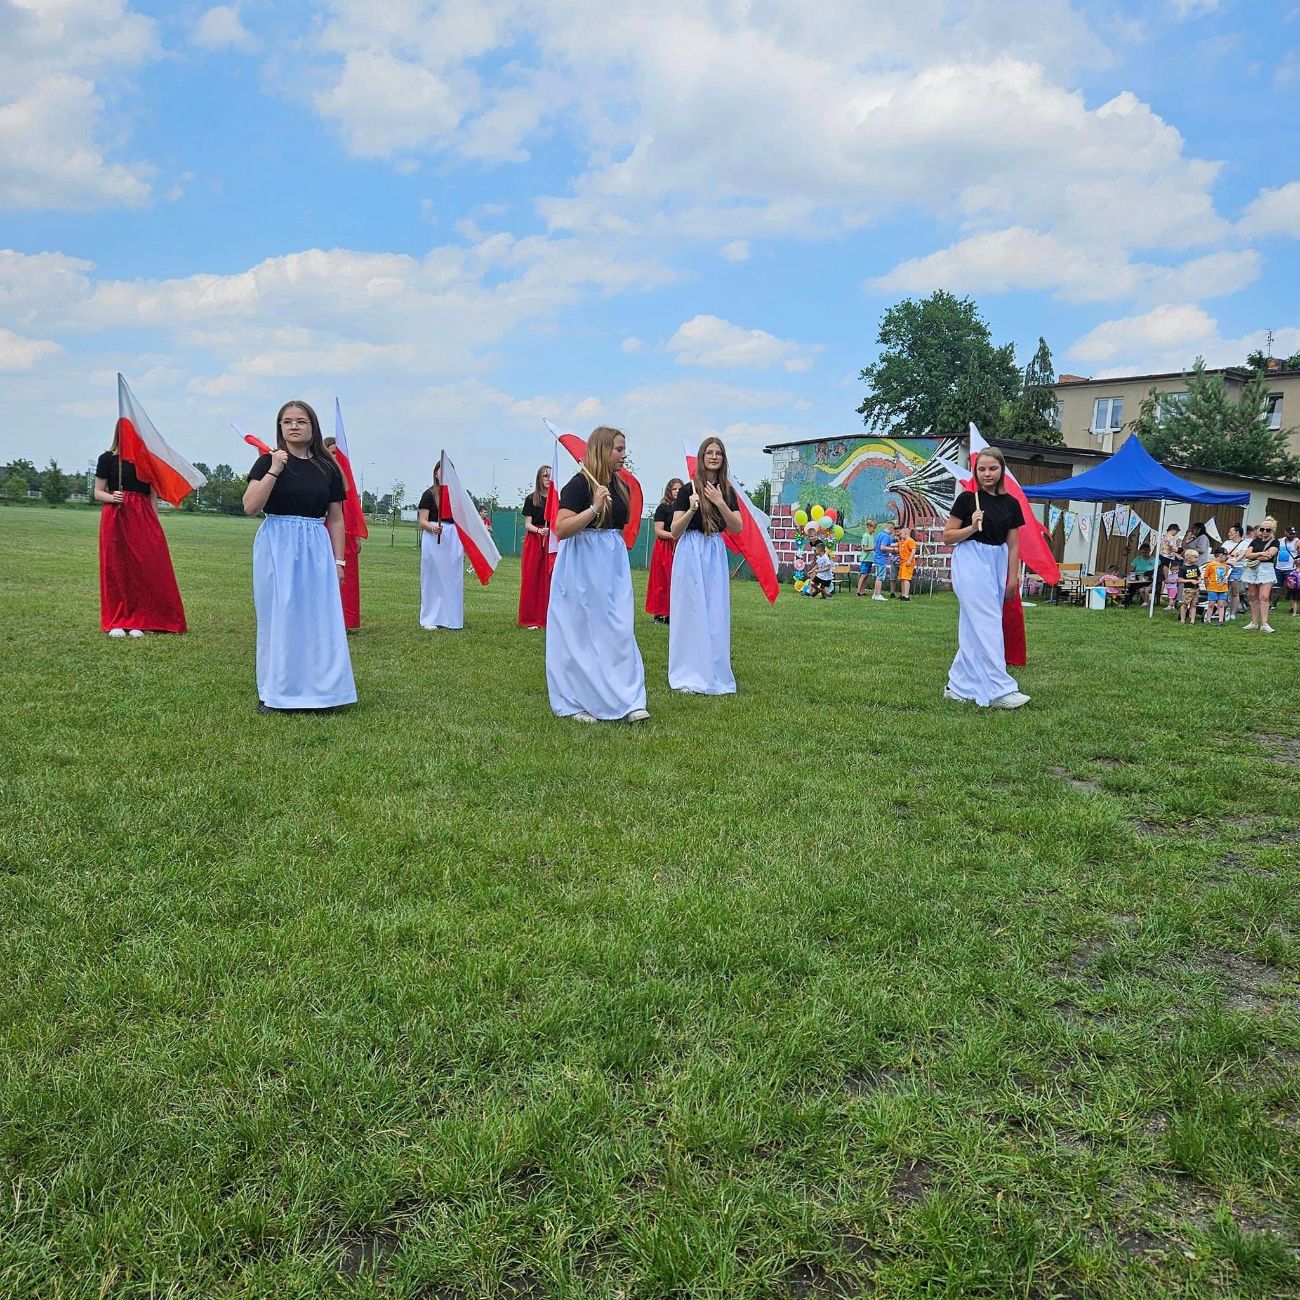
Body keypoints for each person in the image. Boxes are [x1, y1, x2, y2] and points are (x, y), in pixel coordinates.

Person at [242, 400, 356, 713]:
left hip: (315, 544)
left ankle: (322, 692)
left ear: (312, 426)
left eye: (301, 421)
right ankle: (276, 691)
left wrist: (339, 560)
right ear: (280, 427)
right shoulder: (267, 461)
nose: (294, 426)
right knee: (279, 617)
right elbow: (250, 506)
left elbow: (335, 517)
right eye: (288, 421)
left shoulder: (327, 467)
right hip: (277, 543)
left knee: (318, 618)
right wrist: (275, 469)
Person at [546, 426, 648, 722]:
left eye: (624, 449)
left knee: (618, 628)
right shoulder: (578, 485)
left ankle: (628, 699)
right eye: (619, 449)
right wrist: (593, 508)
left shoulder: (621, 485)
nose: (624, 455)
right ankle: (579, 701)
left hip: (612, 564)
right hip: (582, 563)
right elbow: (562, 528)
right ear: (603, 450)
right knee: (582, 632)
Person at [942, 447, 1029, 708]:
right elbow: (947, 537)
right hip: (970, 560)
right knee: (988, 623)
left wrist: (1012, 579)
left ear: (1001, 470)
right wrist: (971, 525)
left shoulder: (1011, 504)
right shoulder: (968, 500)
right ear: (975, 472)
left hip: (997, 562)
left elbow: (1013, 546)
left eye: (992, 468)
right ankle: (1001, 689)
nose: (987, 474)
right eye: (982, 469)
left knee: (972, 628)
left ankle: (957, 685)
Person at [93, 428, 187, 637]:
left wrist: (155, 524)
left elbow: (152, 496)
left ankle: (141, 618)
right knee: (116, 567)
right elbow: (98, 491)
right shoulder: (107, 459)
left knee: (145, 567)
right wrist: (112, 497)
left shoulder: (146, 461)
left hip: (142, 516)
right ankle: (117, 620)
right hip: (116, 517)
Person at [668, 439, 742, 692]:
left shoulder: (728, 492)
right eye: (709, 452)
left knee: (714, 609)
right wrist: (691, 509)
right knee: (689, 610)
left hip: (714, 551)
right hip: (690, 551)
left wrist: (720, 501)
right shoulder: (688, 489)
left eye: (718, 453)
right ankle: (688, 670)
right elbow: (674, 531)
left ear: (723, 458)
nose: (713, 456)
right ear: (701, 456)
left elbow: (737, 527)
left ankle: (714, 668)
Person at [417, 462, 463, 630]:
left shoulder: (458, 495)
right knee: (433, 578)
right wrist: (432, 527)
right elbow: (422, 520)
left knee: (452, 578)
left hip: (453, 538)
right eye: (441, 471)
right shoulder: (429, 494)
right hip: (434, 536)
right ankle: (430, 617)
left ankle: (452, 617)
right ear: (435, 474)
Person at [323, 435, 362, 632]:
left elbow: (351, 509)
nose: (335, 457)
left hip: (344, 535)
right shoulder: (320, 473)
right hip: (320, 532)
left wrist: (354, 534)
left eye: (337, 454)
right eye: (331, 453)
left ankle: (344, 621)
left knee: (345, 579)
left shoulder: (345, 478)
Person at [518, 463, 553, 629]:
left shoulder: (556, 499)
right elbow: (527, 524)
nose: (548, 479)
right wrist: (539, 531)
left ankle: (547, 617)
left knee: (548, 579)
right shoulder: (532, 499)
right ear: (539, 478)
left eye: (550, 476)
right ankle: (529, 618)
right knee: (531, 578)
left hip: (551, 541)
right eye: (545, 476)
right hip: (534, 541)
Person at [646, 477, 681, 623]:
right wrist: (674, 536)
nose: (677, 491)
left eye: (680, 489)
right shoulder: (662, 508)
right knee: (662, 580)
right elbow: (658, 531)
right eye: (674, 489)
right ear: (669, 491)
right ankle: (660, 613)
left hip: (679, 546)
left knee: (677, 580)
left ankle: (675, 612)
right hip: (665, 546)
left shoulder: (684, 508)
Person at [1242, 517, 1279, 633]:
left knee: (1264, 596)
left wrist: (1256, 555)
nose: (1264, 532)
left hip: (1266, 569)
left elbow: (1269, 555)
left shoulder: (1275, 542)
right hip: (1253, 568)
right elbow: (1247, 554)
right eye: (1262, 529)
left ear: (1272, 531)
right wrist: (1260, 554)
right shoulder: (1255, 541)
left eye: (1267, 530)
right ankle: (1253, 622)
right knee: (1253, 595)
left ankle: (1264, 623)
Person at [1223, 524, 1250, 621]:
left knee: (1235, 591)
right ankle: (1221, 610)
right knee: (1222, 590)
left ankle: (1232, 613)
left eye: (1231, 532)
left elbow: (1243, 554)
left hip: (1237, 568)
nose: (1228, 534)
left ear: (1237, 533)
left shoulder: (1245, 543)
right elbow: (1221, 553)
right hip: (1225, 567)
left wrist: (1236, 559)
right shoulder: (1227, 543)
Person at [1203, 547, 1230, 625]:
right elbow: (1206, 577)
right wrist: (1207, 586)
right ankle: (1208, 619)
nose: (1226, 558)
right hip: (1212, 587)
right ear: (1221, 555)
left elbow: (1224, 575)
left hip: (1222, 588)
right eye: (1225, 556)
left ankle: (1221, 620)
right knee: (1211, 603)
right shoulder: (1210, 565)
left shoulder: (1225, 564)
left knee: (1221, 604)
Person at [870, 520, 895, 601]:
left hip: (877, 557)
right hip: (881, 558)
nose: (893, 532)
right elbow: (882, 547)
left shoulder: (879, 534)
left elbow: (875, 546)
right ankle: (878, 594)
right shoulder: (886, 536)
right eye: (893, 529)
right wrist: (893, 549)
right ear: (891, 528)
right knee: (880, 577)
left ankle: (875, 594)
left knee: (878, 576)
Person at [1176, 548, 1202, 625]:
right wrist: (1190, 581)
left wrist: (1199, 580)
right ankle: (1182, 619)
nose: (1197, 559)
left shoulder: (1196, 567)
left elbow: (1199, 576)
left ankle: (1192, 620)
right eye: (1195, 557)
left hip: (1196, 589)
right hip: (1188, 589)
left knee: (1194, 604)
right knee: (1185, 604)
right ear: (1188, 558)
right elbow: (1180, 580)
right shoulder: (1183, 568)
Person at [1274, 527, 1296, 615]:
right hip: (1279, 567)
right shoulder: (1279, 541)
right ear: (1285, 533)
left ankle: (1292, 607)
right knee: (1276, 587)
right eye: (1290, 533)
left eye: (1293, 533)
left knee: (1292, 588)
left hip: (1290, 568)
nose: (1292, 535)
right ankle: (1273, 604)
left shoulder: (1297, 541)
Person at [856, 518, 879, 596]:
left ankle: (862, 591)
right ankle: (858, 591)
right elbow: (865, 548)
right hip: (865, 559)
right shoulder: (865, 536)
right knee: (863, 575)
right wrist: (873, 548)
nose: (874, 529)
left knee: (866, 576)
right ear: (869, 527)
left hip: (870, 559)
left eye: (875, 528)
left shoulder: (871, 536)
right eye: (873, 528)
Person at [895, 525, 918, 600]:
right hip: (902, 562)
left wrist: (909, 560)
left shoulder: (910, 541)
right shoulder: (903, 542)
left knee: (906, 578)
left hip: (908, 562)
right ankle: (903, 594)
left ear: (905, 533)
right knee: (902, 578)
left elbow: (913, 550)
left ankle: (906, 596)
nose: (900, 535)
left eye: (901, 533)